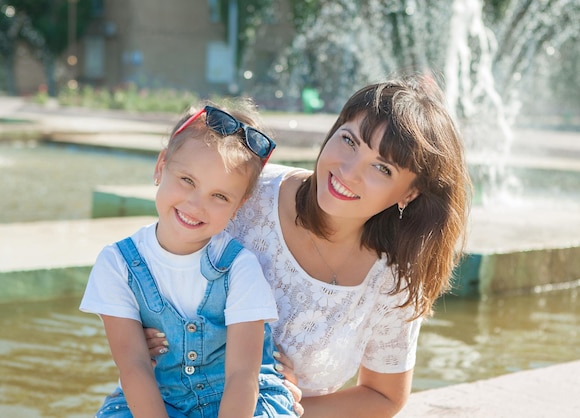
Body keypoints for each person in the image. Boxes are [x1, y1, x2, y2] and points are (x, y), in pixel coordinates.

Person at [146, 74, 472, 417]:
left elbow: (385, 396)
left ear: (409, 193)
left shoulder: (393, 279)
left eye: (381, 167)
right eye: (348, 141)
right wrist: (143, 329)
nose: (348, 171)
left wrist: (289, 406)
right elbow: (157, 261)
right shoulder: (251, 193)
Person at [80, 99, 298, 417]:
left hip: (238, 399)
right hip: (156, 397)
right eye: (187, 180)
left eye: (220, 196)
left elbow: (243, 376)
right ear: (161, 166)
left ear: (239, 205)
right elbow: (134, 366)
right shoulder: (117, 264)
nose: (196, 204)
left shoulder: (239, 266)